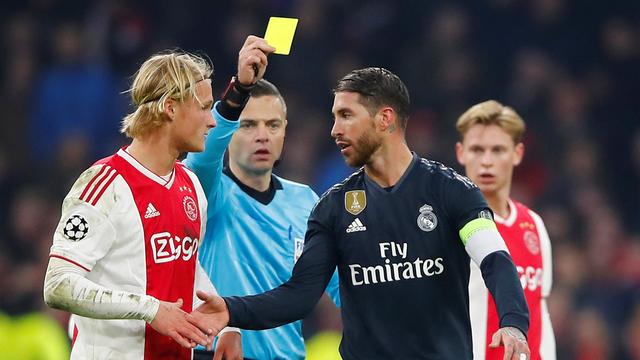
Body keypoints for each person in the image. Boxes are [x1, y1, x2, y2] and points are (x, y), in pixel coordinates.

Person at [189, 67, 532, 360]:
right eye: (335, 117)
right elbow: (300, 294)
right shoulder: (332, 208)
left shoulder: (452, 192)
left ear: (385, 119)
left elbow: (494, 258)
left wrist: (513, 321)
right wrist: (233, 310)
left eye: (346, 116)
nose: (334, 130)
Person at [42, 35, 274, 359]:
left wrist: (226, 326)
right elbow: (58, 285)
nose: (211, 120)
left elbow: (185, 267)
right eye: (204, 108)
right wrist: (150, 309)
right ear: (170, 108)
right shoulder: (105, 184)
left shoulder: (190, 186)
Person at [184, 78, 340, 360]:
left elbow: (342, 286)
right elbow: (202, 159)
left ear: (284, 131)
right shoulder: (206, 192)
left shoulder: (306, 201)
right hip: (216, 353)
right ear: (228, 131)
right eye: (248, 125)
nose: (262, 136)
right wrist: (238, 92)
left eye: (272, 125)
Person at [455, 100, 556, 359]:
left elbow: (539, 311)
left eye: (498, 150)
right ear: (461, 152)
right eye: (477, 149)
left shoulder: (534, 224)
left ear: (517, 153)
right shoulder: (448, 226)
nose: (486, 161)